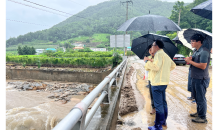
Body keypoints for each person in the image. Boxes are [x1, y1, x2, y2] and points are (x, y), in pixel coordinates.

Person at [144, 40, 176, 130]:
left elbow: (156, 67)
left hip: (157, 82)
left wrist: (147, 62)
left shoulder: (158, 54)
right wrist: (164, 72)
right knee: (163, 102)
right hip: (164, 82)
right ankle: (163, 121)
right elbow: (173, 65)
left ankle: (158, 126)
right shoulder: (165, 55)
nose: (152, 47)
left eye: (153, 45)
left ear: (157, 46)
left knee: (158, 105)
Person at [185, 34, 210, 123]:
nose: (191, 43)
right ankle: (199, 112)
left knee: (201, 98)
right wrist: (190, 59)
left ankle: (202, 117)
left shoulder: (204, 51)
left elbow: (203, 66)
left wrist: (190, 61)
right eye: (191, 41)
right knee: (196, 97)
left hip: (201, 78)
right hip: (195, 77)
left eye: (193, 41)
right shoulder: (196, 51)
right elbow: (194, 61)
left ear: (199, 42)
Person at [144, 45, 156, 114]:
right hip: (151, 78)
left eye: (152, 50)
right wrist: (148, 61)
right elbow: (146, 68)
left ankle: (159, 108)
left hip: (157, 79)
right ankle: (153, 108)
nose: (151, 51)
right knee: (151, 94)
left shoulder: (158, 58)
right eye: (150, 50)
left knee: (157, 95)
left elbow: (156, 66)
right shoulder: (149, 58)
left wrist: (150, 61)